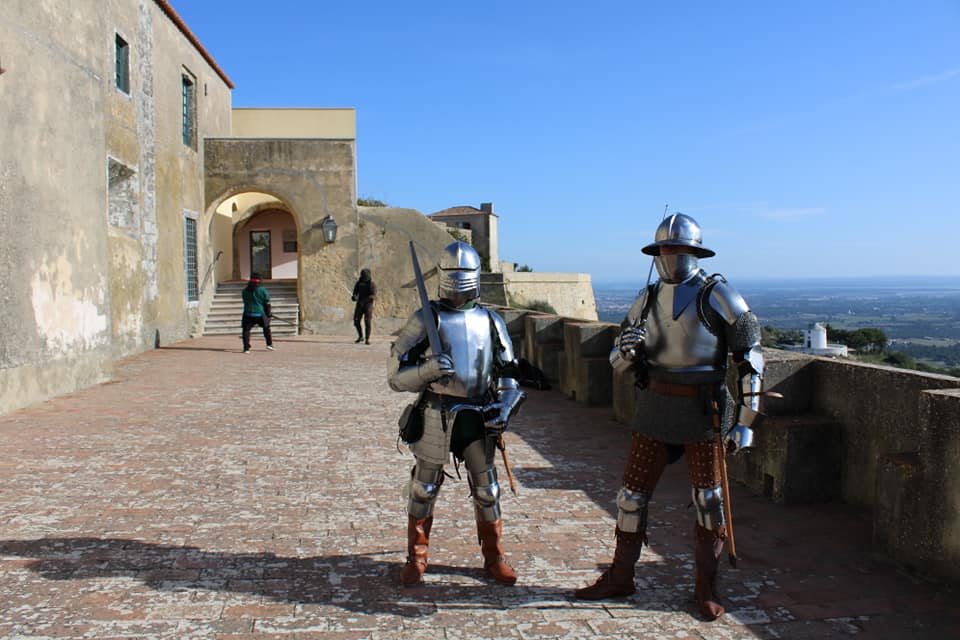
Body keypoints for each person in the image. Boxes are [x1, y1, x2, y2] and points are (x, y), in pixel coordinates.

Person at [573, 213, 765, 620]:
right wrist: (626, 351)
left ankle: (706, 587)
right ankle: (621, 576)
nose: (670, 255)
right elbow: (616, 359)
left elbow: (749, 357)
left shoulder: (716, 294)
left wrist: (745, 422)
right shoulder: (646, 298)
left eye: (676, 248)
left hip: (704, 410)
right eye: (664, 248)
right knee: (630, 498)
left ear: (694, 252)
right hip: (656, 406)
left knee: (708, 502)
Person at [387, 241, 526, 586]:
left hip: (478, 414)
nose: (459, 280)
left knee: (488, 490)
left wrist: (505, 405)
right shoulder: (425, 318)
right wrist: (427, 370)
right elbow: (394, 375)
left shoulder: (491, 320)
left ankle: (494, 557)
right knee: (423, 488)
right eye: (455, 273)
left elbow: (509, 372)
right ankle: (416, 558)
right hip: (436, 411)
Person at [241, 273, 274, 353]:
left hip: (248, 313)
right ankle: (269, 344)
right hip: (260, 314)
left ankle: (246, 348)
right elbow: (267, 303)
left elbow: (245, 301)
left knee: (246, 331)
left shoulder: (244, 291)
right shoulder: (262, 290)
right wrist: (268, 313)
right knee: (266, 328)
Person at [351, 268, 377, 344]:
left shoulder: (372, 284)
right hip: (359, 304)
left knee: (367, 322)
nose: (364, 277)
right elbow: (355, 293)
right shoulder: (358, 283)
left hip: (368, 305)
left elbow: (373, 295)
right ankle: (360, 336)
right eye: (362, 275)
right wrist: (354, 297)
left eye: (365, 275)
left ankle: (367, 339)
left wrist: (366, 300)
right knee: (356, 321)